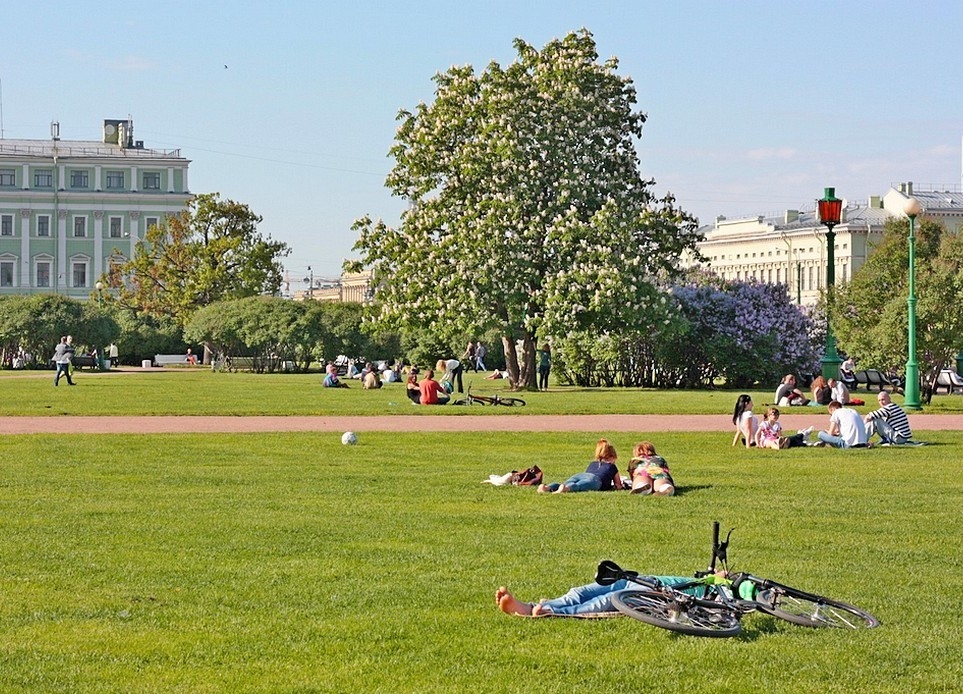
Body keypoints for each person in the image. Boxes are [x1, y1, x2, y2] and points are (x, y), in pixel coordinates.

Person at [496, 572, 708, 617]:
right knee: (581, 591)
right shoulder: (710, 580)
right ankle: (528, 606)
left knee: (607, 600)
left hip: (656, 593)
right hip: (641, 578)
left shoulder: (719, 595)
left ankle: (552, 611)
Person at [537, 439, 626, 493]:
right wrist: (619, 487)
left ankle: (546, 487)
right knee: (578, 486)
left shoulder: (593, 463)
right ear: (612, 457)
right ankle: (566, 489)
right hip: (595, 480)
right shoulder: (612, 467)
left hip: (581, 475)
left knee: (563, 483)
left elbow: (588, 474)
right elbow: (618, 485)